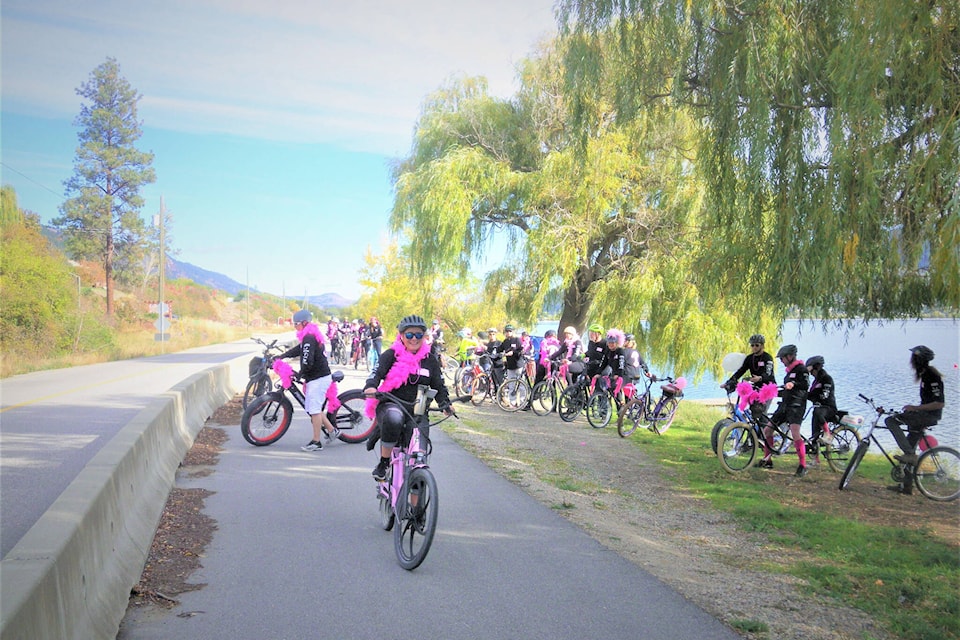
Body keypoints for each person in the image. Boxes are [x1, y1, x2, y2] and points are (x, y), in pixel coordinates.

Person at [364, 315, 453, 481]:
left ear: (424, 337)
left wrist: (445, 403)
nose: (414, 339)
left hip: (418, 412)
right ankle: (384, 463)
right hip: (392, 403)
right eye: (409, 335)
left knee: (419, 460)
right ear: (401, 336)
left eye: (419, 335)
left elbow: (439, 386)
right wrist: (371, 386)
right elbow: (376, 373)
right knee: (393, 418)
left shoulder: (430, 360)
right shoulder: (391, 355)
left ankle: (416, 505)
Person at [884, 345, 945, 495]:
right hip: (924, 415)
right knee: (909, 445)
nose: (911, 361)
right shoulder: (925, 375)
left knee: (890, 421)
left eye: (913, 358)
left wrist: (916, 408)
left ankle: (910, 454)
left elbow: (939, 403)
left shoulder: (932, 376)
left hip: (929, 416)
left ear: (919, 360)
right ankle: (906, 487)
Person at [275, 309, 338, 452]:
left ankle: (316, 442)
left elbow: (307, 361)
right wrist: (283, 356)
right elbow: (299, 349)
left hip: (318, 378)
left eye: (296, 324)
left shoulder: (309, 337)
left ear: (304, 323)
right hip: (315, 377)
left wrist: (300, 374)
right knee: (313, 407)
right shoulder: (308, 336)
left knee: (314, 410)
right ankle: (332, 431)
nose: (294, 327)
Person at [757, 344, 809, 476]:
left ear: (790, 356)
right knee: (767, 430)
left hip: (796, 406)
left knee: (795, 433)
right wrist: (771, 392)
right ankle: (767, 460)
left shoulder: (802, 370)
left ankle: (803, 465)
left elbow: (804, 385)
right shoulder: (789, 372)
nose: (781, 361)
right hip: (784, 405)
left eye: (782, 358)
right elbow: (786, 389)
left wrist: (794, 384)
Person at [722, 334, 777, 413]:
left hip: (768, 388)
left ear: (762, 346)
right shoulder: (749, 358)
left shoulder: (767, 358)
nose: (754, 347)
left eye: (757, 345)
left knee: (762, 413)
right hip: (756, 387)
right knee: (753, 411)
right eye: (752, 345)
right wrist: (729, 382)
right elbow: (740, 371)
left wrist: (760, 378)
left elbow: (768, 373)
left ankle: (765, 424)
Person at [805, 355, 837, 463]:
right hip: (818, 409)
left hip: (828, 408)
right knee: (814, 434)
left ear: (817, 367)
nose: (811, 373)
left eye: (811, 370)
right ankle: (816, 459)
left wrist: (813, 397)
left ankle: (828, 435)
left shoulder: (827, 379)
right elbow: (811, 395)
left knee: (817, 412)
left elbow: (824, 395)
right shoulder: (815, 381)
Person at [499, 324, 525, 404]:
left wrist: (513, 353)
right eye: (506, 331)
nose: (508, 333)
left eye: (510, 331)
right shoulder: (505, 341)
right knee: (511, 384)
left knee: (521, 384)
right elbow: (499, 349)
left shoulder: (517, 340)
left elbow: (521, 350)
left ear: (513, 332)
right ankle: (512, 402)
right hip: (510, 366)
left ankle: (522, 401)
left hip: (518, 365)